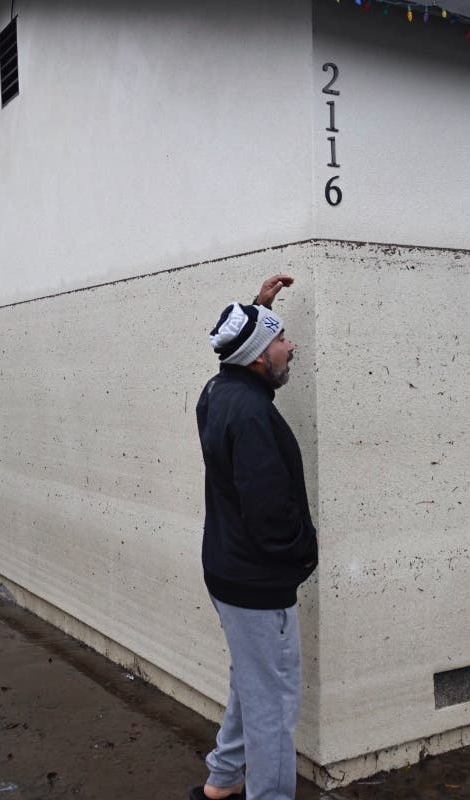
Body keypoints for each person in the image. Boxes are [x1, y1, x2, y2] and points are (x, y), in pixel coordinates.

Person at [191, 274, 318, 800]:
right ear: (261, 358)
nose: (291, 347)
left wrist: (258, 308)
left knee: (253, 679)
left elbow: (234, 340)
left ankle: (222, 780)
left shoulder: (219, 390)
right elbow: (269, 514)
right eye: (282, 339)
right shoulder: (252, 415)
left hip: (228, 570)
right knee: (274, 705)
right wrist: (299, 560)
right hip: (257, 581)